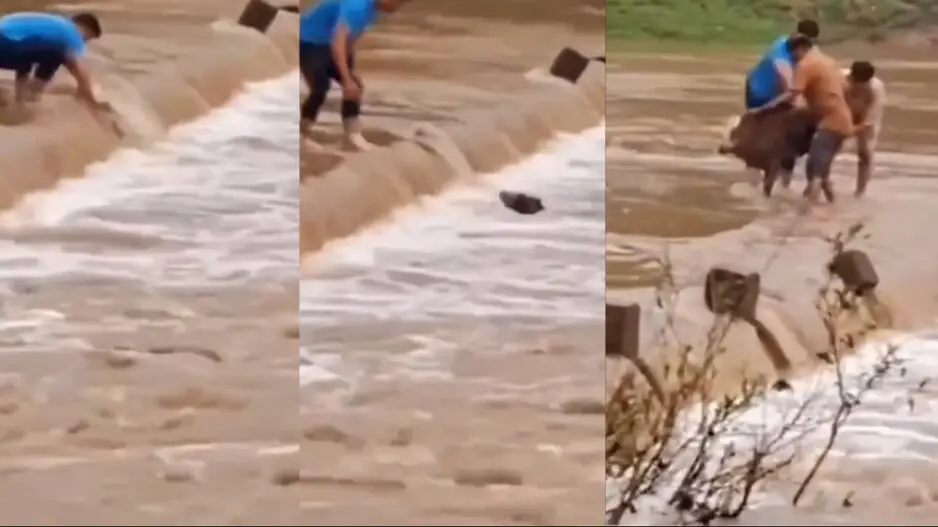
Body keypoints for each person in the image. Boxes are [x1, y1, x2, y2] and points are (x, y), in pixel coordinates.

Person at [750, 35, 853, 204]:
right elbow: (842, 89)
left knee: (814, 171)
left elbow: (792, 95)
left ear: (800, 49)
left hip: (831, 123)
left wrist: (763, 109)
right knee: (822, 171)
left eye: (793, 55)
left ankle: (807, 216)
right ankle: (833, 206)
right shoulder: (828, 61)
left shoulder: (806, 66)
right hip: (842, 119)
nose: (794, 59)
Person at [299, 0, 410, 150]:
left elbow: (350, 41)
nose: (398, 8)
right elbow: (338, 44)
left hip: (328, 43)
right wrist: (346, 79)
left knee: (355, 85)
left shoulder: (373, 10)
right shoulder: (356, 7)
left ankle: (353, 135)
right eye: (398, 3)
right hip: (308, 42)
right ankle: (302, 134)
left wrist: (350, 75)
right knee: (320, 86)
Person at [743, 20, 820, 185]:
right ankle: (753, 182)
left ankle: (784, 183)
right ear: (795, 33)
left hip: (780, 94)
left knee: (788, 137)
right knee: (757, 136)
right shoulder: (779, 52)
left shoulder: (808, 50)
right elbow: (789, 86)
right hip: (759, 92)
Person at [0, 12, 107, 112]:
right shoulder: (71, 31)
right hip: (6, 42)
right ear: (84, 28)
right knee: (59, 51)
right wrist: (91, 99)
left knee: (49, 52)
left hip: (9, 42)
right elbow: (77, 66)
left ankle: (24, 96)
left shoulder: (55, 25)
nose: (84, 42)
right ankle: (28, 97)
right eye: (87, 38)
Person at [842, 60, 886, 197]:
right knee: (828, 147)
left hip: (865, 114)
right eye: (857, 83)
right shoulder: (839, 79)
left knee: (865, 154)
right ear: (851, 78)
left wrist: (852, 130)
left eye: (864, 84)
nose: (860, 87)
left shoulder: (876, 89)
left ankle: (860, 192)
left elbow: (868, 122)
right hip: (843, 111)